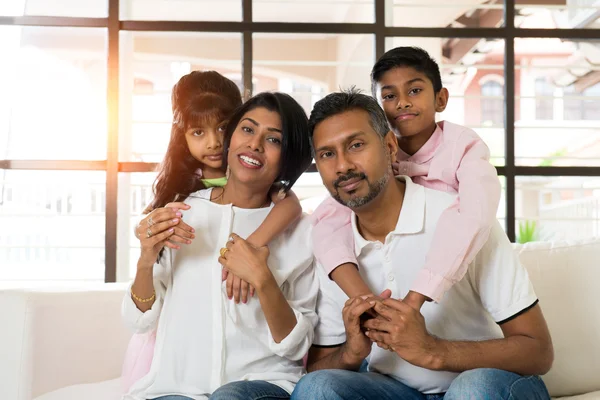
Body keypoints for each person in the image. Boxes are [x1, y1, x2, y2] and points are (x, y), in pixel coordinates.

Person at [291, 89, 553, 399]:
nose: (342, 165)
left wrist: (433, 350)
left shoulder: (461, 221)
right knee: (317, 388)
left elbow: (538, 351)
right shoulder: (331, 245)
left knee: (473, 390)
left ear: (390, 147)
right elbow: (318, 371)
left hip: (486, 385)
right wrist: (351, 352)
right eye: (327, 154)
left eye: (356, 145)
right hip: (394, 390)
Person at [122, 92, 317, 400]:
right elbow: (139, 319)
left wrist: (262, 279)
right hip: (176, 388)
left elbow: (295, 344)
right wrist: (146, 259)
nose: (254, 144)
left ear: (289, 158)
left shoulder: (301, 232)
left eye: (274, 140)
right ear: (231, 139)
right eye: (248, 129)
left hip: (262, 384)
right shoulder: (185, 213)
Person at [311, 47, 501, 311]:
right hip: (391, 266)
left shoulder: (463, 147)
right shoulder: (373, 160)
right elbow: (327, 220)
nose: (402, 103)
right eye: (389, 96)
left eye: (414, 91)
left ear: (441, 99)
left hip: (452, 269)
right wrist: (365, 299)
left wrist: (417, 296)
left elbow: (476, 216)